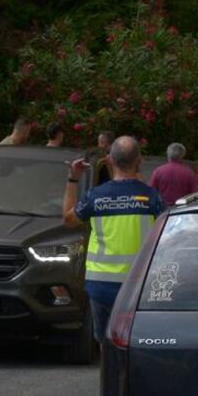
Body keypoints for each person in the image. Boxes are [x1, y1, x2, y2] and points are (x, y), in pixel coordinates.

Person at [63, 137, 166, 346]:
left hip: (100, 285)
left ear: (110, 160)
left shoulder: (95, 196)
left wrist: (73, 179)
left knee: (107, 343)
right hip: (138, 286)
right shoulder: (152, 198)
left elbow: (69, 220)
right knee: (135, 342)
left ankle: (110, 377)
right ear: (139, 160)